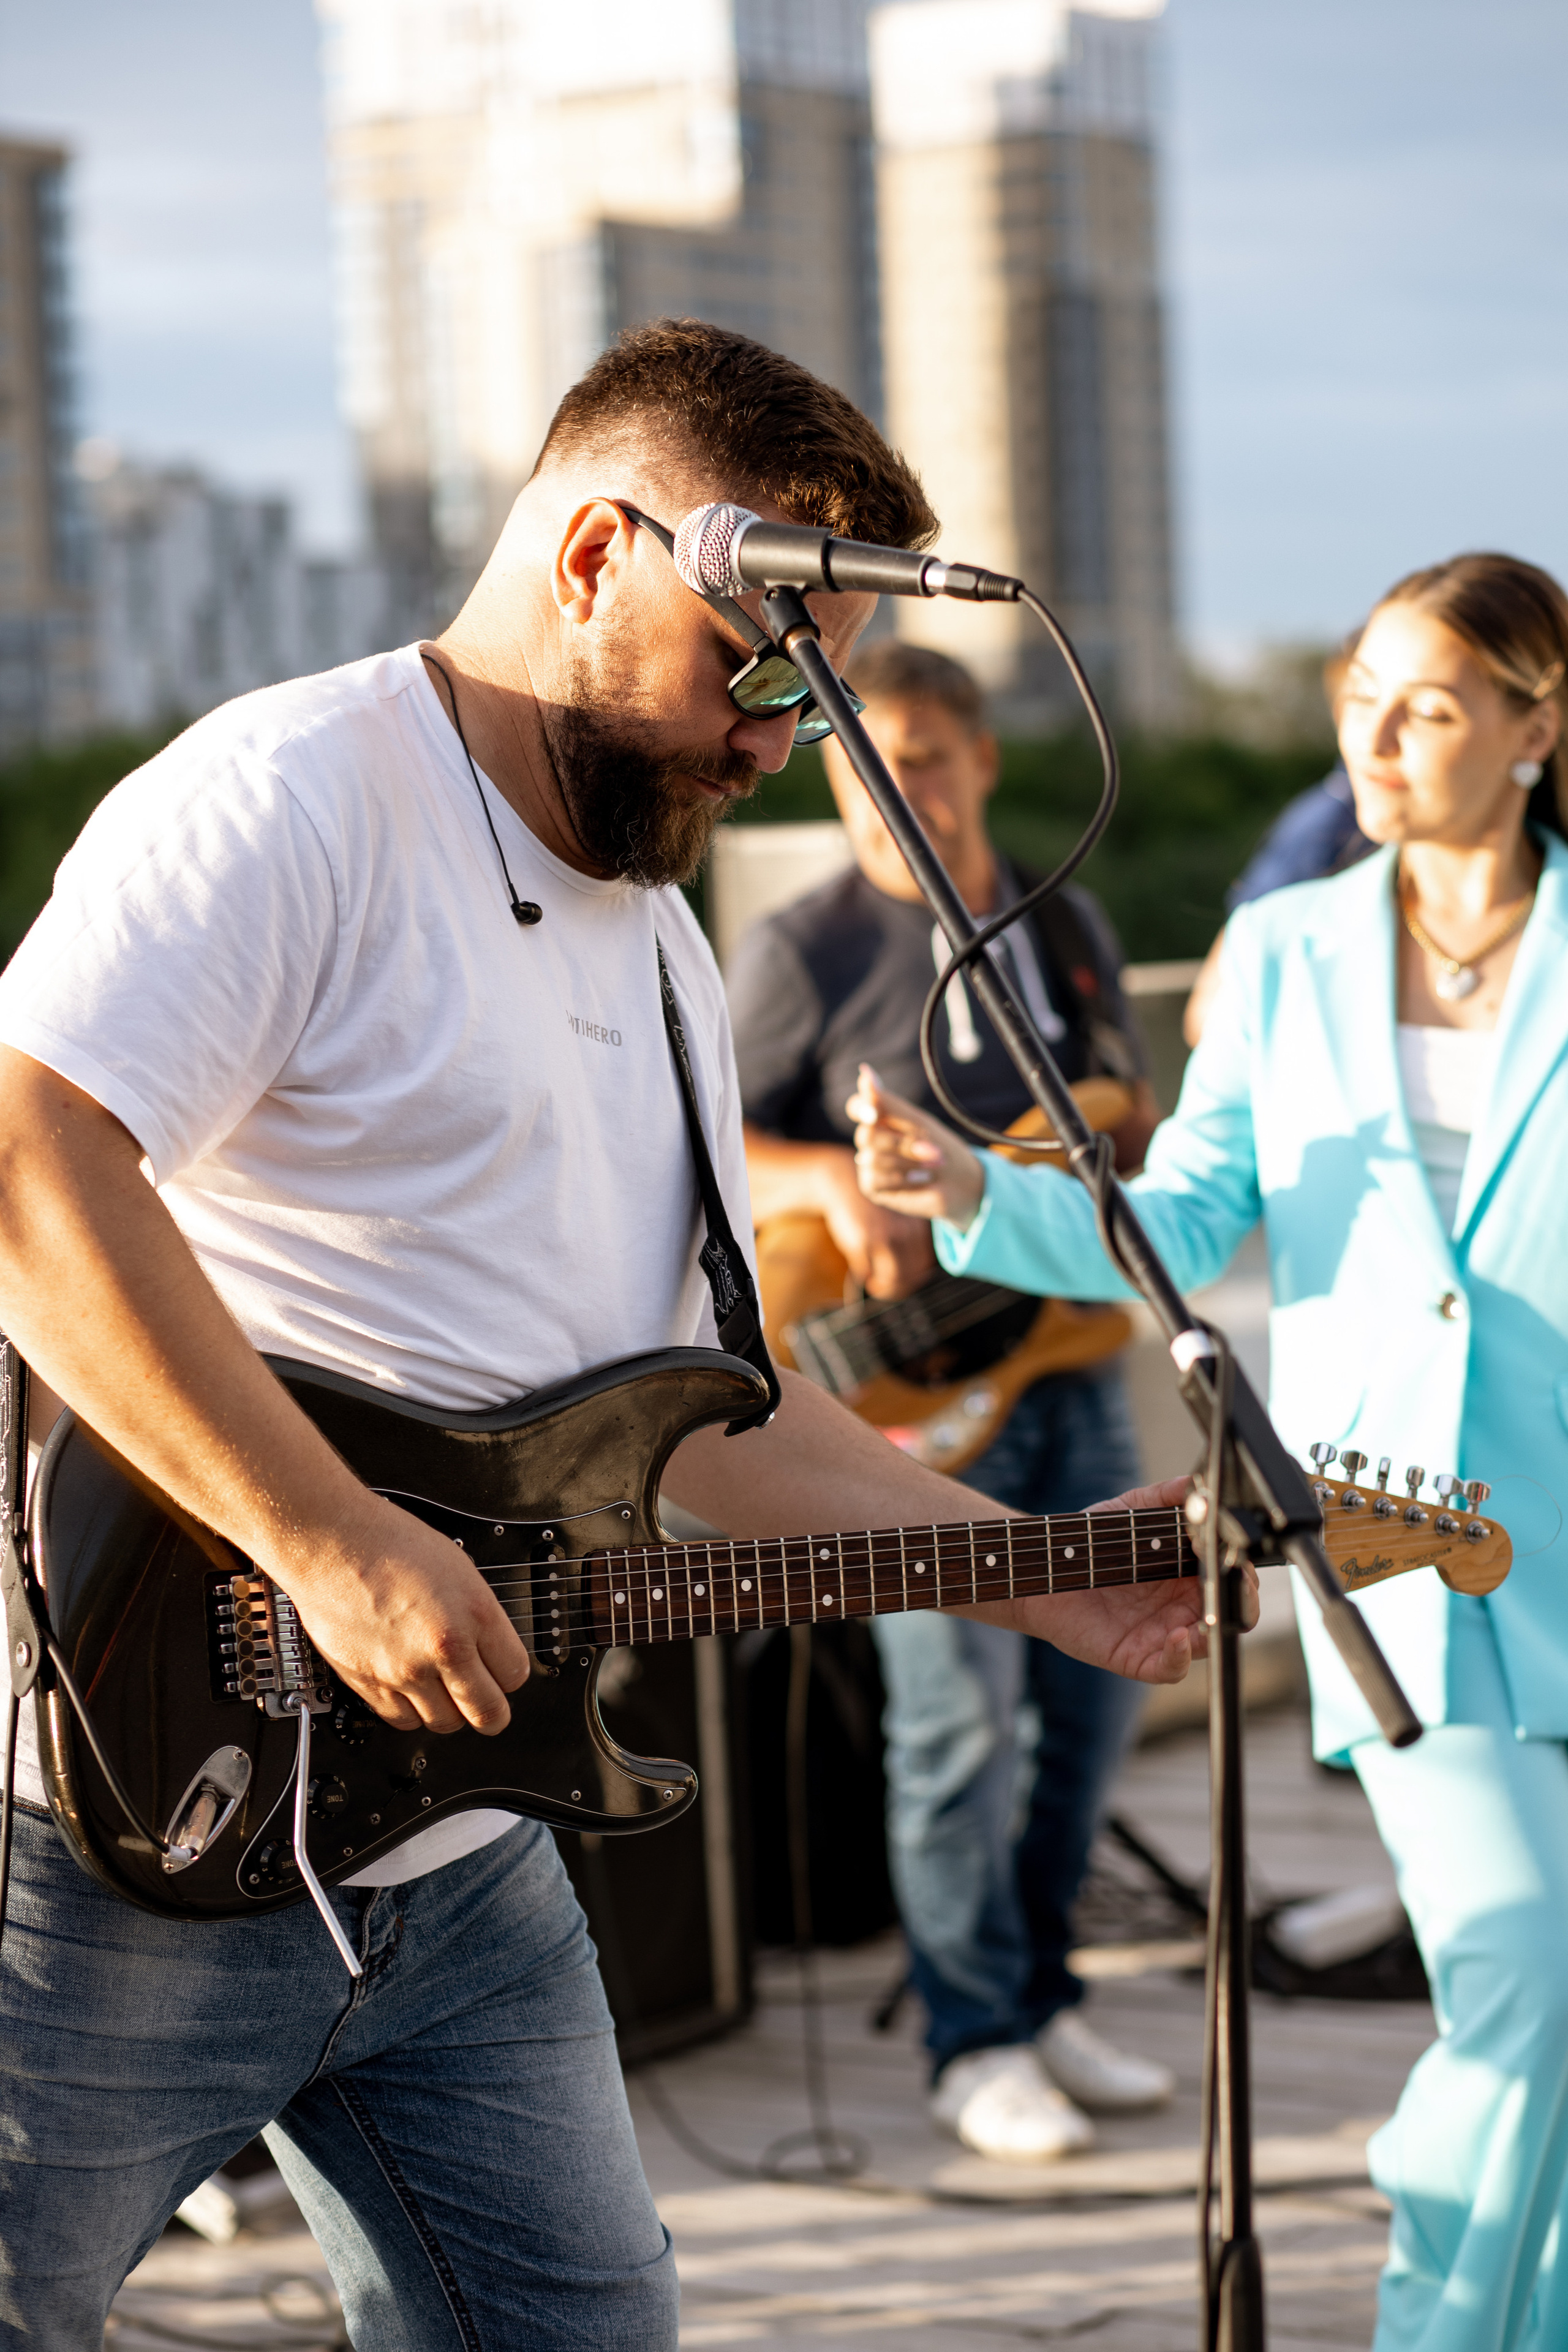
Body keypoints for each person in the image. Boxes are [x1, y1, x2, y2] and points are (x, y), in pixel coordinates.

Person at [0, 320, 1217, 2348]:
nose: (782, 742)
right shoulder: (292, 798)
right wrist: (326, 1538)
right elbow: (35, 1166)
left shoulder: (661, 948)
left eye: (818, 695)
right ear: (588, 561)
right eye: (757, 666)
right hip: (136, 1825)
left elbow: (706, 1425)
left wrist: (1035, 1583)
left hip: (467, 1858)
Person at [853, 551, 1568, 2352]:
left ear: (1538, 725)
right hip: (1397, 1555)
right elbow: (1183, 1212)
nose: (1380, 740)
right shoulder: (1290, 949)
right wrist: (976, 1193)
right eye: (1359, 701)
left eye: (1430, 705)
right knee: (1527, 1978)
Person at [728, 639, 1175, 2163]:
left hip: (1067, 1371)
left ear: (980, 762)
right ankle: (966, 2039)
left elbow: (1123, 1127)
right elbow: (706, 1146)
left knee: (1091, 1709)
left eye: (915, 756)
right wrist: (837, 1185)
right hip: (898, 1402)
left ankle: (1043, 1999)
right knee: (954, 1732)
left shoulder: (1065, 926)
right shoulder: (799, 949)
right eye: (854, 762)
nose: (885, 789)